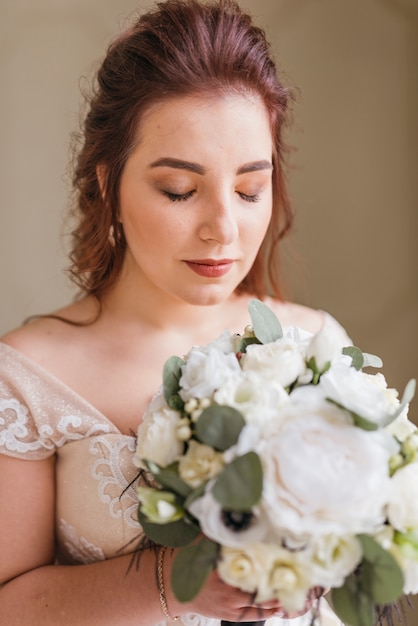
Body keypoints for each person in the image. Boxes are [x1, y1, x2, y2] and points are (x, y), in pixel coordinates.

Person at [0, 1, 350, 624]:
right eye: (180, 191)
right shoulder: (27, 377)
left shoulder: (315, 343)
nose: (223, 229)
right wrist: (172, 582)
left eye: (249, 190)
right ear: (109, 182)